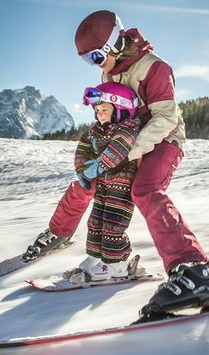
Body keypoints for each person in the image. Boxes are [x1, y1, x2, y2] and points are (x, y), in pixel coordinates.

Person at [22, 10, 209, 317]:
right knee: (90, 180)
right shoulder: (109, 72)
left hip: (164, 137)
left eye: (98, 56)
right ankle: (63, 235)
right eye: (89, 60)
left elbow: (166, 118)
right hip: (126, 141)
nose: (97, 64)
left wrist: (130, 151)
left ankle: (194, 272)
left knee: (145, 189)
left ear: (116, 42)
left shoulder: (155, 68)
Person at [69, 82, 141, 283]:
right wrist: (82, 171)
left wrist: (98, 167)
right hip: (103, 184)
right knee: (95, 221)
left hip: (121, 185)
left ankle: (116, 265)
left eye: (104, 110)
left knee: (113, 223)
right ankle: (95, 257)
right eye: (97, 110)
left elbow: (117, 151)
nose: (99, 115)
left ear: (121, 110)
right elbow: (83, 147)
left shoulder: (128, 128)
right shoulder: (96, 131)